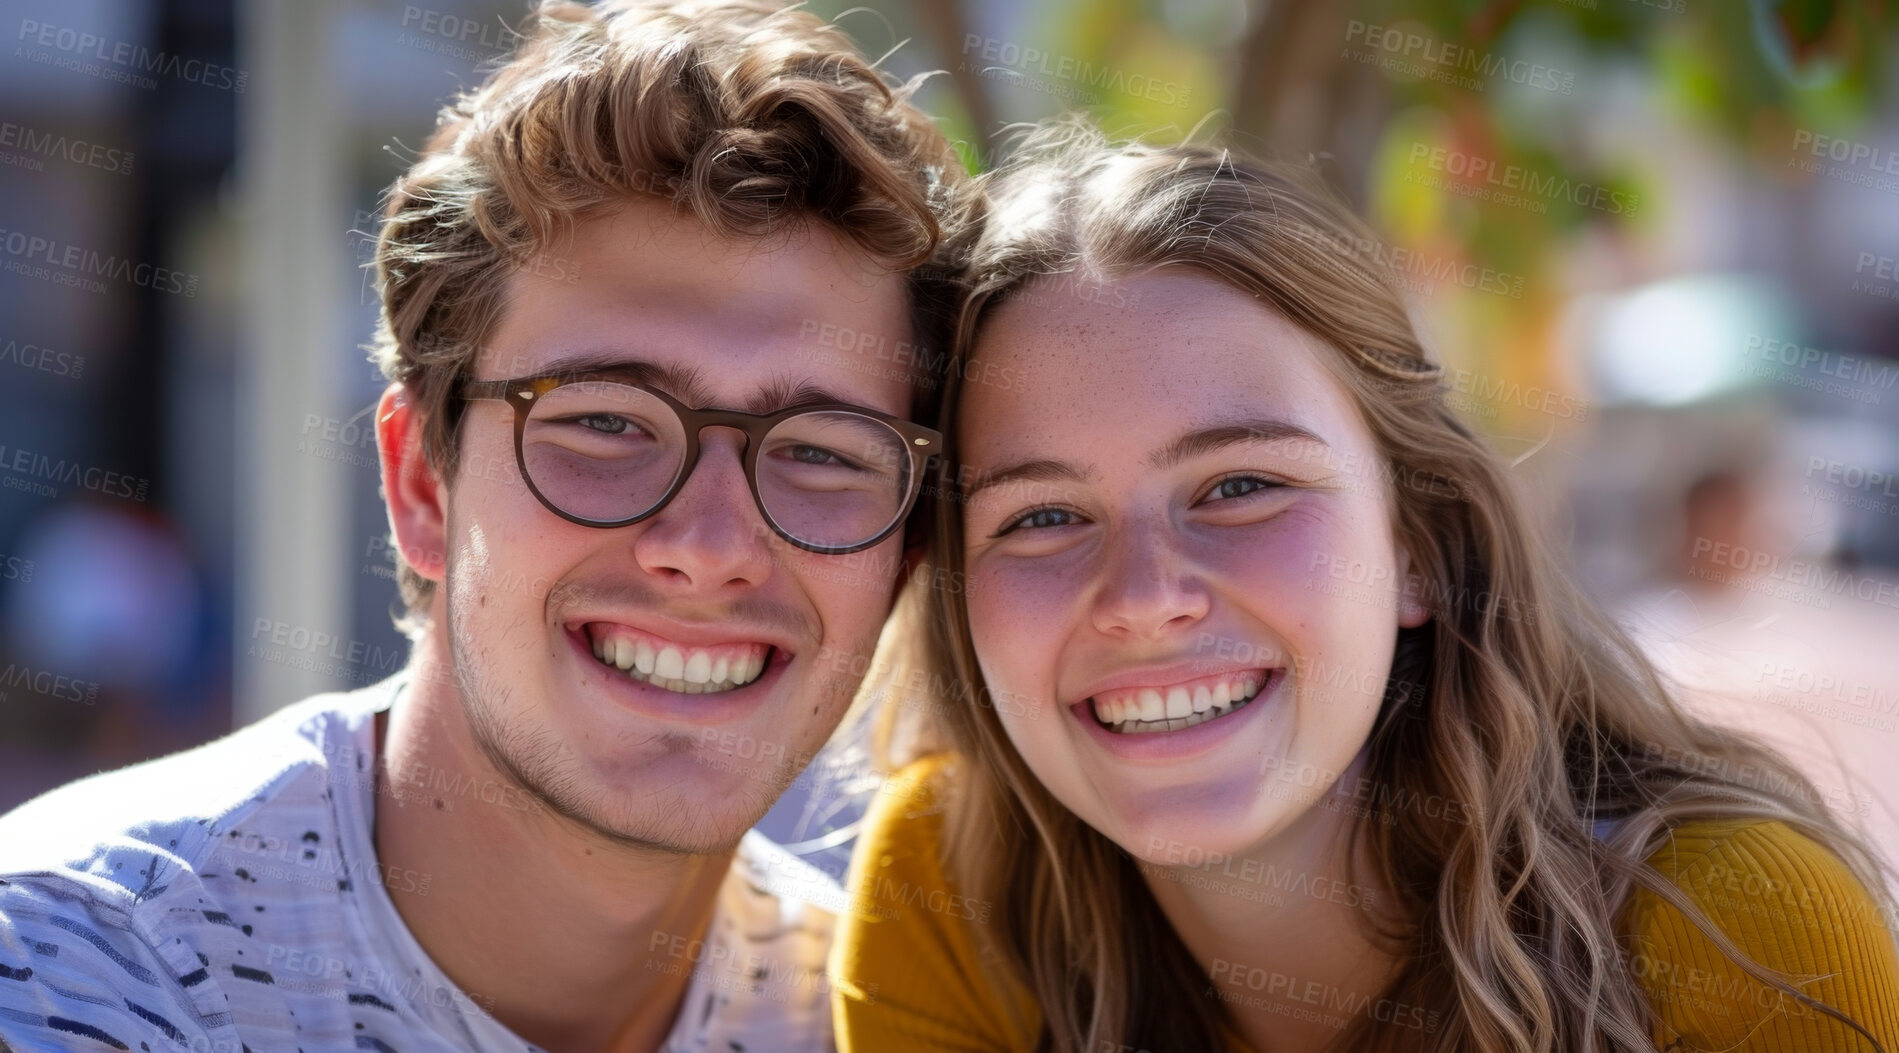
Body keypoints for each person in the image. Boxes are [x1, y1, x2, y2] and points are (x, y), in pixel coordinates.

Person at [0, 1, 962, 1050]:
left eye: (822, 452)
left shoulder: (891, 1016)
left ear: (906, 549)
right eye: (604, 423)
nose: (712, 545)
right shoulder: (69, 973)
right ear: (422, 482)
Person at [830, 121, 1899, 1053]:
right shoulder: (953, 890)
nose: (1145, 596)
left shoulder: (1745, 934)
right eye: (1043, 516)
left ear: (1420, 544)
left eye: (1240, 486)